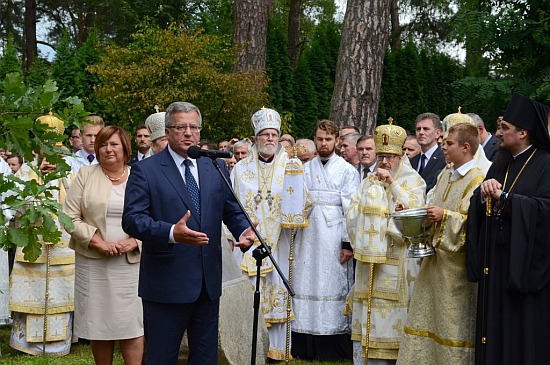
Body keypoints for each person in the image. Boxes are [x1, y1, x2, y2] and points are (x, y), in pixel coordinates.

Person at [121, 101, 256, 365]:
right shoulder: (145, 171)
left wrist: (244, 228)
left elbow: (230, 208)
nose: (188, 133)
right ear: (167, 132)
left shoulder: (213, 167)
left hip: (207, 282)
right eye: (181, 127)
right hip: (166, 282)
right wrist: (171, 232)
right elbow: (132, 220)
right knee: (162, 357)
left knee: (205, 357)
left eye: (194, 127)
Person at [466, 94, 550, 365]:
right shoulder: (501, 162)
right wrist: (481, 196)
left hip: (526, 268)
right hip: (497, 264)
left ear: (523, 133)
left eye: (505, 128)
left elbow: (545, 210)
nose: (498, 133)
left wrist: (505, 199)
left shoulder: (546, 163)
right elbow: (479, 201)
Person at [397, 122, 485, 365]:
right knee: (425, 319)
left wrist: (444, 216)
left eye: (448, 143)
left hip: (456, 272)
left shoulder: (477, 180)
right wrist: (413, 213)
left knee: (451, 326)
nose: (442, 147)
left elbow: (475, 227)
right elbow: (432, 206)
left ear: (466, 147)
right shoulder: (445, 174)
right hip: (433, 266)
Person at [345, 121, 426, 365]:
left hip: (398, 262)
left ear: (401, 155)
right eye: (381, 156)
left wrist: (392, 187)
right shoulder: (368, 182)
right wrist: (368, 221)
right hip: (368, 266)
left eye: (390, 156)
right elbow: (351, 213)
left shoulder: (413, 180)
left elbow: (416, 214)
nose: (384, 162)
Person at [231, 108, 309, 361]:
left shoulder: (292, 166)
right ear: (256, 138)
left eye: (274, 134)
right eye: (265, 134)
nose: (270, 139)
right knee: (248, 295)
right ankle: (246, 346)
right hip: (248, 244)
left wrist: (292, 213)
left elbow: (306, 201)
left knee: (276, 293)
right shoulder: (240, 169)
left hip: (280, 244)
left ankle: (276, 352)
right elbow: (230, 203)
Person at [64, 126, 144, 365]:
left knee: (132, 323)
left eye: (114, 144)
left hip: (130, 264)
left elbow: (152, 217)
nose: (108, 149)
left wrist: (134, 241)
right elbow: (69, 217)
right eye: (103, 145)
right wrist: (96, 242)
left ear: (125, 148)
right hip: (94, 263)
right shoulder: (86, 175)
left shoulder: (139, 177)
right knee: (100, 325)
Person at [292, 120, 359, 361]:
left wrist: (347, 243)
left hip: (333, 236)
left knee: (332, 284)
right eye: (319, 139)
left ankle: (332, 343)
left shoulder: (347, 171)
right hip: (308, 235)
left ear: (337, 140)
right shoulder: (305, 169)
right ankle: (304, 343)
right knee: (306, 282)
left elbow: (351, 209)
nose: (323, 143)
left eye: (328, 139)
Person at [9, 113, 76, 356]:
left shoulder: (69, 171)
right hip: (32, 242)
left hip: (63, 244)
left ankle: (60, 343)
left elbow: (77, 205)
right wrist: (39, 177)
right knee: (32, 290)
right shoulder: (26, 171)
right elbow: (14, 205)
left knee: (62, 290)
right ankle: (27, 344)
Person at [410, 112, 446, 192]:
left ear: (438, 133)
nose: (421, 132)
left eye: (426, 129)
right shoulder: (411, 162)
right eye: (418, 129)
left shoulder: (444, 160)